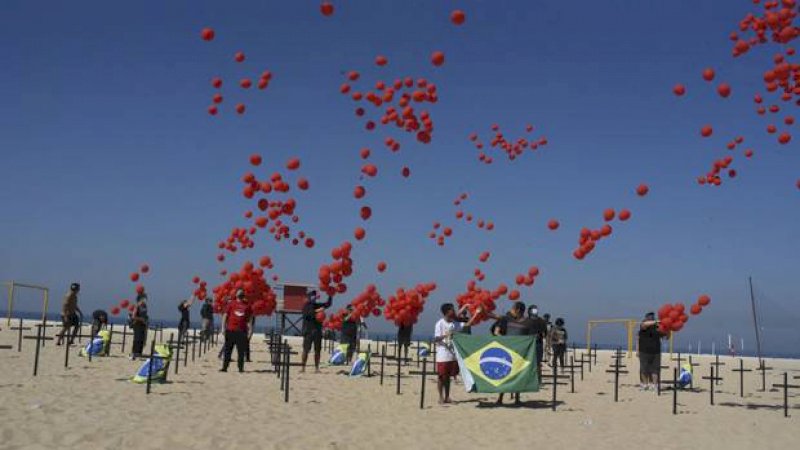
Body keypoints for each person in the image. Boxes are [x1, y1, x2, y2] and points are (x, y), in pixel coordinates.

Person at [434, 303, 462, 405]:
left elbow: (465, 325)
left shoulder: (455, 324)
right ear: (447, 312)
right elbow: (436, 338)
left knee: (448, 377)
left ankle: (447, 397)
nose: (454, 311)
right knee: (441, 376)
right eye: (452, 310)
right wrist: (445, 335)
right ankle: (440, 397)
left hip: (452, 354)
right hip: (443, 354)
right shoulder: (440, 323)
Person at [220, 289, 253, 373]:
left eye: (242, 293)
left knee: (241, 351)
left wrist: (250, 330)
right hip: (230, 330)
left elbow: (249, 319)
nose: (240, 294)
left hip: (242, 331)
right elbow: (225, 315)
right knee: (228, 350)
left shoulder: (247, 306)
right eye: (239, 292)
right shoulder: (231, 303)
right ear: (236, 295)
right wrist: (223, 327)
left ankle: (240, 368)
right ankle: (224, 367)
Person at [300, 290, 333, 373]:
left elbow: (328, 304)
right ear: (309, 297)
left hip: (317, 331)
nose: (314, 297)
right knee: (306, 350)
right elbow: (307, 314)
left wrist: (330, 295)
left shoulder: (317, 305)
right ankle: (303, 367)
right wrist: (317, 311)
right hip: (308, 331)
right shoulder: (306, 306)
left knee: (317, 350)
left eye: (315, 296)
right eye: (312, 296)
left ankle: (317, 368)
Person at [638, 312, 666, 390]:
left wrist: (667, 328)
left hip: (656, 351)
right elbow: (644, 325)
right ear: (646, 318)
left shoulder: (657, 328)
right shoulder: (643, 325)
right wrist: (657, 322)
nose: (651, 318)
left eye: (652, 316)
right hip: (644, 351)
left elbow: (665, 336)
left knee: (655, 369)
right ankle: (644, 384)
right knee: (644, 368)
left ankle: (654, 384)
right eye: (649, 316)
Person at [130, 293, 149, 359]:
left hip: (143, 324)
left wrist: (146, 320)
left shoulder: (145, 306)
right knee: (137, 338)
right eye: (144, 298)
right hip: (137, 324)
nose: (145, 299)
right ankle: (134, 353)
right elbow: (133, 316)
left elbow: (145, 315)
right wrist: (141, 319)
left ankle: (139, 353)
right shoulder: (137, 306)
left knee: (142, 339)